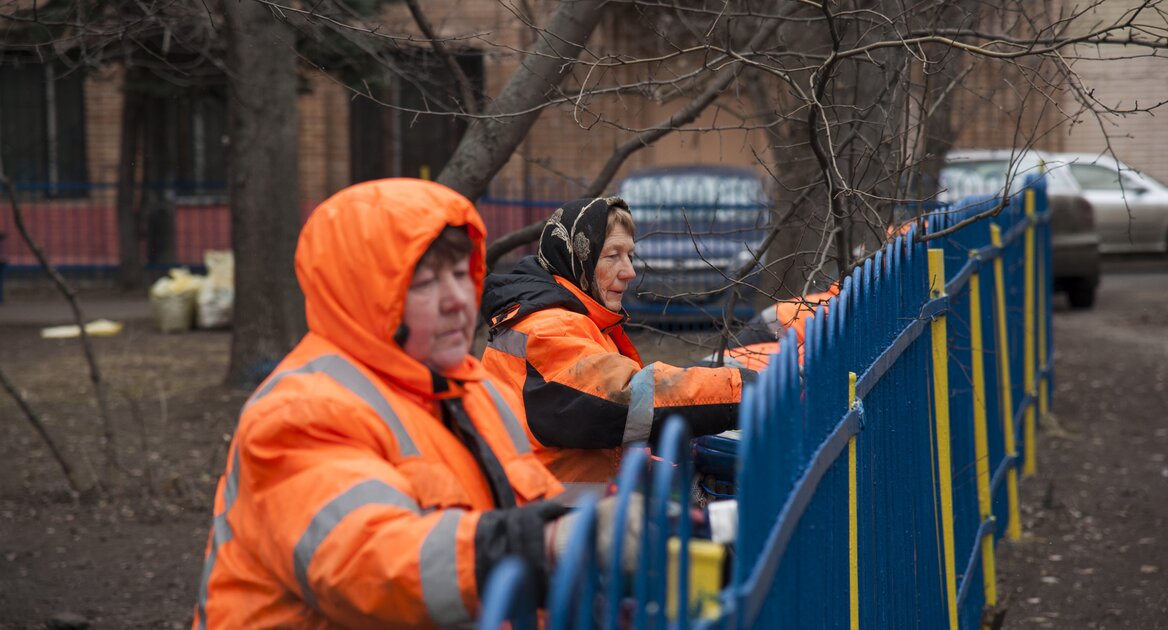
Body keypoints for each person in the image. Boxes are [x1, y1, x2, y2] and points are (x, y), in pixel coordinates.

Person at [192, 179, 635, 629]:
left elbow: (517, 518)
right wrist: (551, 541)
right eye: (424, 282)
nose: (455, 301)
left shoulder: (472, 391)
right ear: (365, 297)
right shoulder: (302, 410)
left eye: (462, 275)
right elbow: (371, 564)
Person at [480, 197, 754, 501]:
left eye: (629, 255)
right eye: (612, 256)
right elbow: (624, 400)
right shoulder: (547, 329)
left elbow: (598, 448)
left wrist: (666, 471)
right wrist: (742, 390)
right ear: (576, 257)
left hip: (579, 520)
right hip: (558, 532)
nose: (628, 272)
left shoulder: (582, 321)